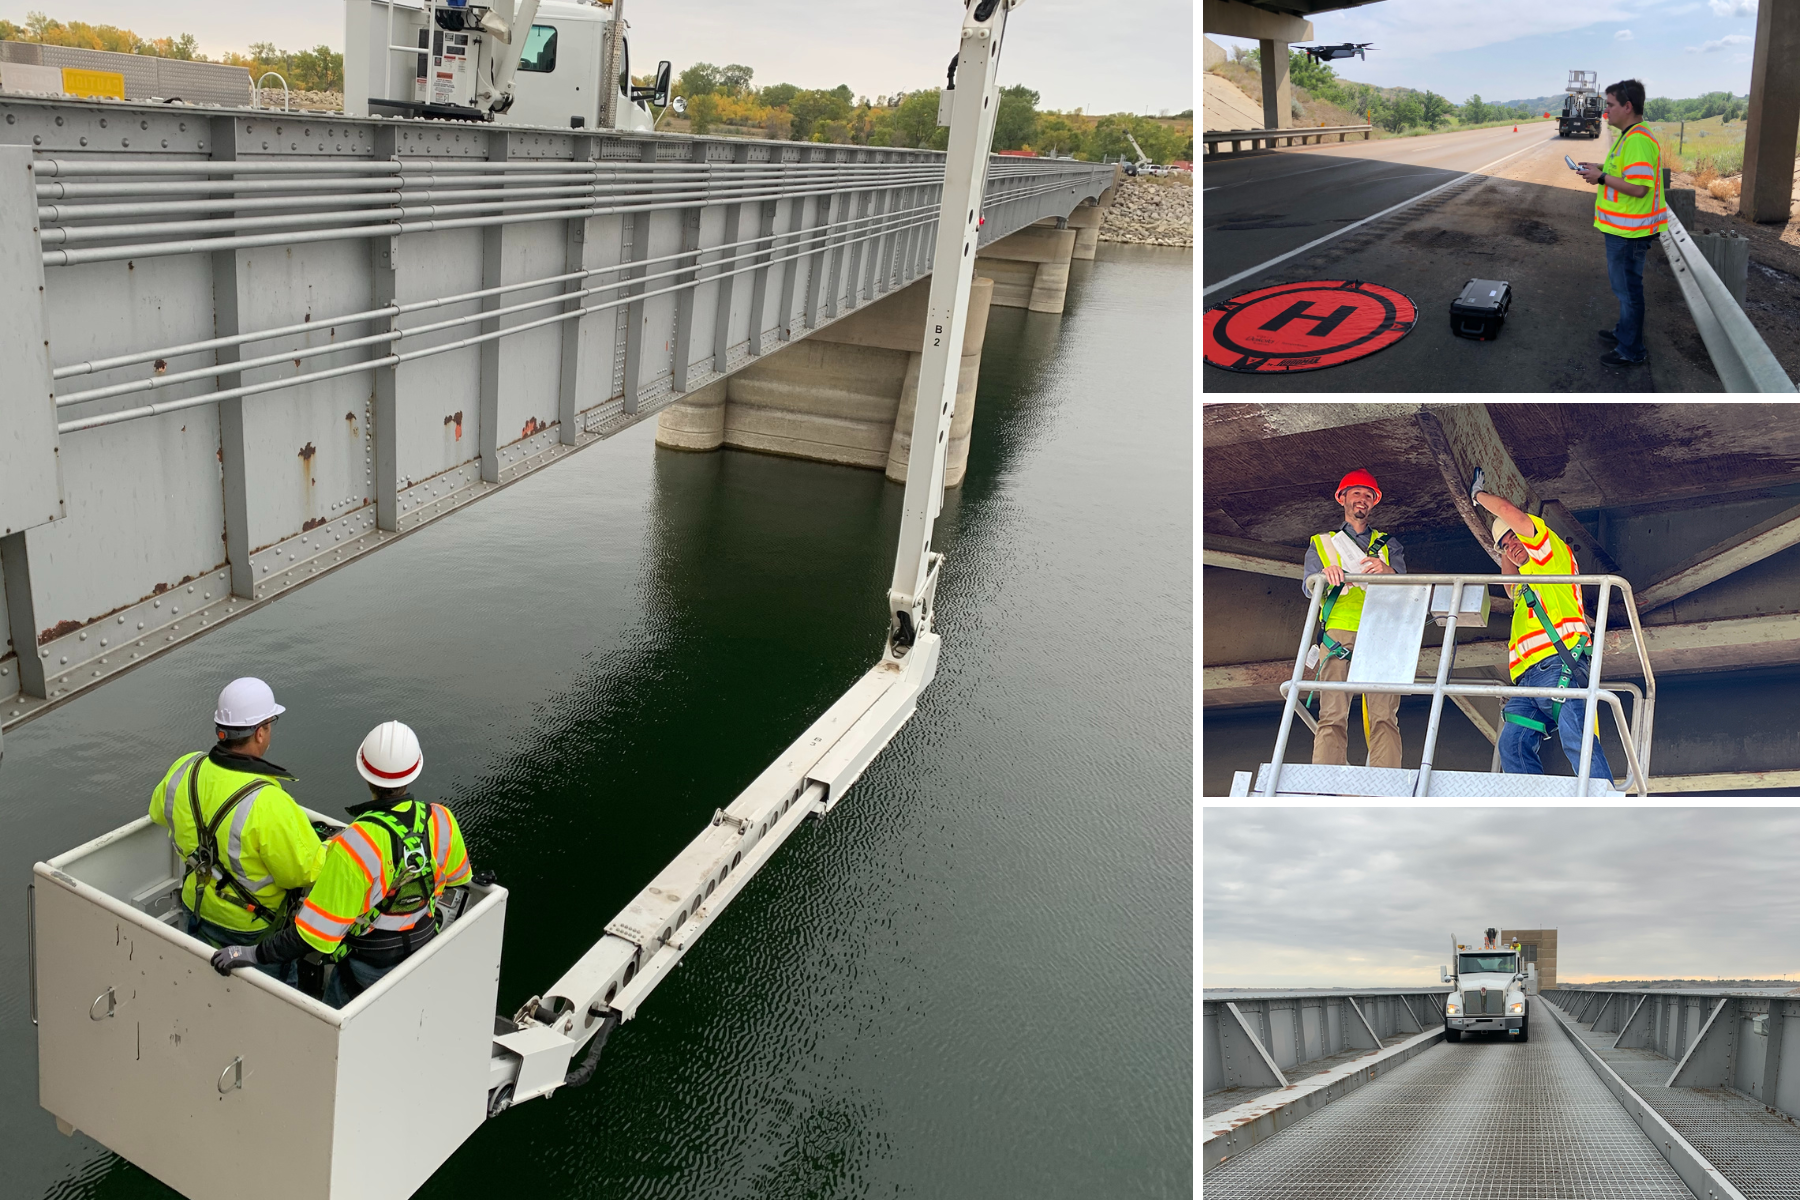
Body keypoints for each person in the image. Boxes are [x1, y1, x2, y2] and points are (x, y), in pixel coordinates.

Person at [213, 721, 473, 1008]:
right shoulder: (442, 820)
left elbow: (310, 937)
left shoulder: (355, 845)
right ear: (415, 769)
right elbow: (458, 880)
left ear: (365, 773)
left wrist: (251, 955)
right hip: (423, 949)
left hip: (366, 971)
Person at [150, 678, 326, 983]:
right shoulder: (269, 801)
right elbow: (305, 873)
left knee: (203, 983)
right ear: (260, 733)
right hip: (252, 930)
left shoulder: (185, 769)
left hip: (197, 907)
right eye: (271, 724)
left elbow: (158, 812)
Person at [1470, 475, 1615, 788]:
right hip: (1527, 681)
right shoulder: (1525, 583)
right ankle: (1534, 808)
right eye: (1506, 546)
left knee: (1577, 736)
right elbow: (1508, 582)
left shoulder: (1551, 555)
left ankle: (1602, 801)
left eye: (1515, 539)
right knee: (1511, 745)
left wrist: (1478, 496)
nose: (1513, 548)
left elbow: (1512, 513)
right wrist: (1502, 548)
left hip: (1560, 666)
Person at [1300, 469, 1407, 770]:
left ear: (1374, 502)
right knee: (1332, 714)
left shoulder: (1389, 545)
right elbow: (1308, 586)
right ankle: (1326, 779)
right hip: (1338, 633)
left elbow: (1404, 585)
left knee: (1384, 715)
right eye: (1356, 493)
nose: (1362, 499)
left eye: (1368, 495)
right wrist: (1323, 576)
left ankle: (1385, 780)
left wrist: (1387, 571)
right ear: (1342, 498)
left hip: (1381, 632)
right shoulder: (1323, 544)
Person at [1574, 79, 1667, 369]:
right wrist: (1600, 169)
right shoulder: (1629, 136)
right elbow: (1623, 174)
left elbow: (1639, 188)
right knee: (1624, 289)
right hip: (1623, 230)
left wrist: (1600, 178)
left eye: (1610, 105)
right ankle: (1624, 334)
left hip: (1630, 232)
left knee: (1628, 291)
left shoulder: (1637, 140)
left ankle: (1631, 350)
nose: (1606, 111)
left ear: (1628, 107)